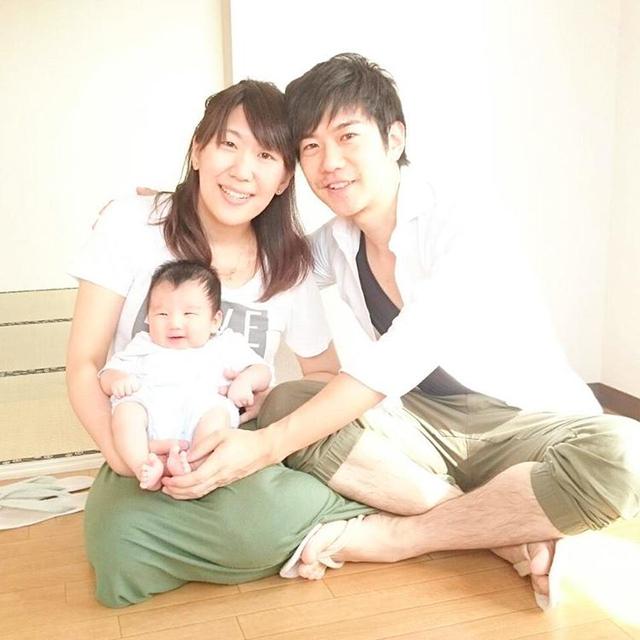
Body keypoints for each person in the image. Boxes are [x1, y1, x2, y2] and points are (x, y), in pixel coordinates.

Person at [183, 54, 640, 609]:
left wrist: (263, 448)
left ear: (394, 138)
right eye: (311, 147)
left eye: (347, 137)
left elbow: (396, 359)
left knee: (625, 456)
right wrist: (173, 217)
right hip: (419, 425)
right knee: (290, 401)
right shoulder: (333, 243)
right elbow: (261, 263)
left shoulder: (463, 219)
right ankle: (497, 528)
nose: (330, 163)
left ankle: (405, 536)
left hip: (519, 421)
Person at [66, 79, 452, 608]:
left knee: (255, 515)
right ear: (197, 151)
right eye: (228, 144)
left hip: (235, 442)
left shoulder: (288, 264)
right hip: (146, 442)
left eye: (266, 155)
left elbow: (320, 376)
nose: (242, 170)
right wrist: (123, 455)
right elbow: (84, 363)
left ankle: (388, 532)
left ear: (284, 177)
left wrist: (257, 415)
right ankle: (345, 533)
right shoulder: (133, 223)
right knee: (118, 544)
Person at [99, 259, 272, 490]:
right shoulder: (143, 344)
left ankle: (193, 465)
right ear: (148, 318)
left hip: (201, 411)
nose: (175, 323)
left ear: (214, 321)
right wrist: (116, 380)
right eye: (162, 314)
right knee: (126, 412)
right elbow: (106, 374)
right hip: (152, 412)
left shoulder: (226, 344)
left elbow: (262, 371)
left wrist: (245, 381)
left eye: (189, 313)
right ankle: (143, 466)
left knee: (217, 416)